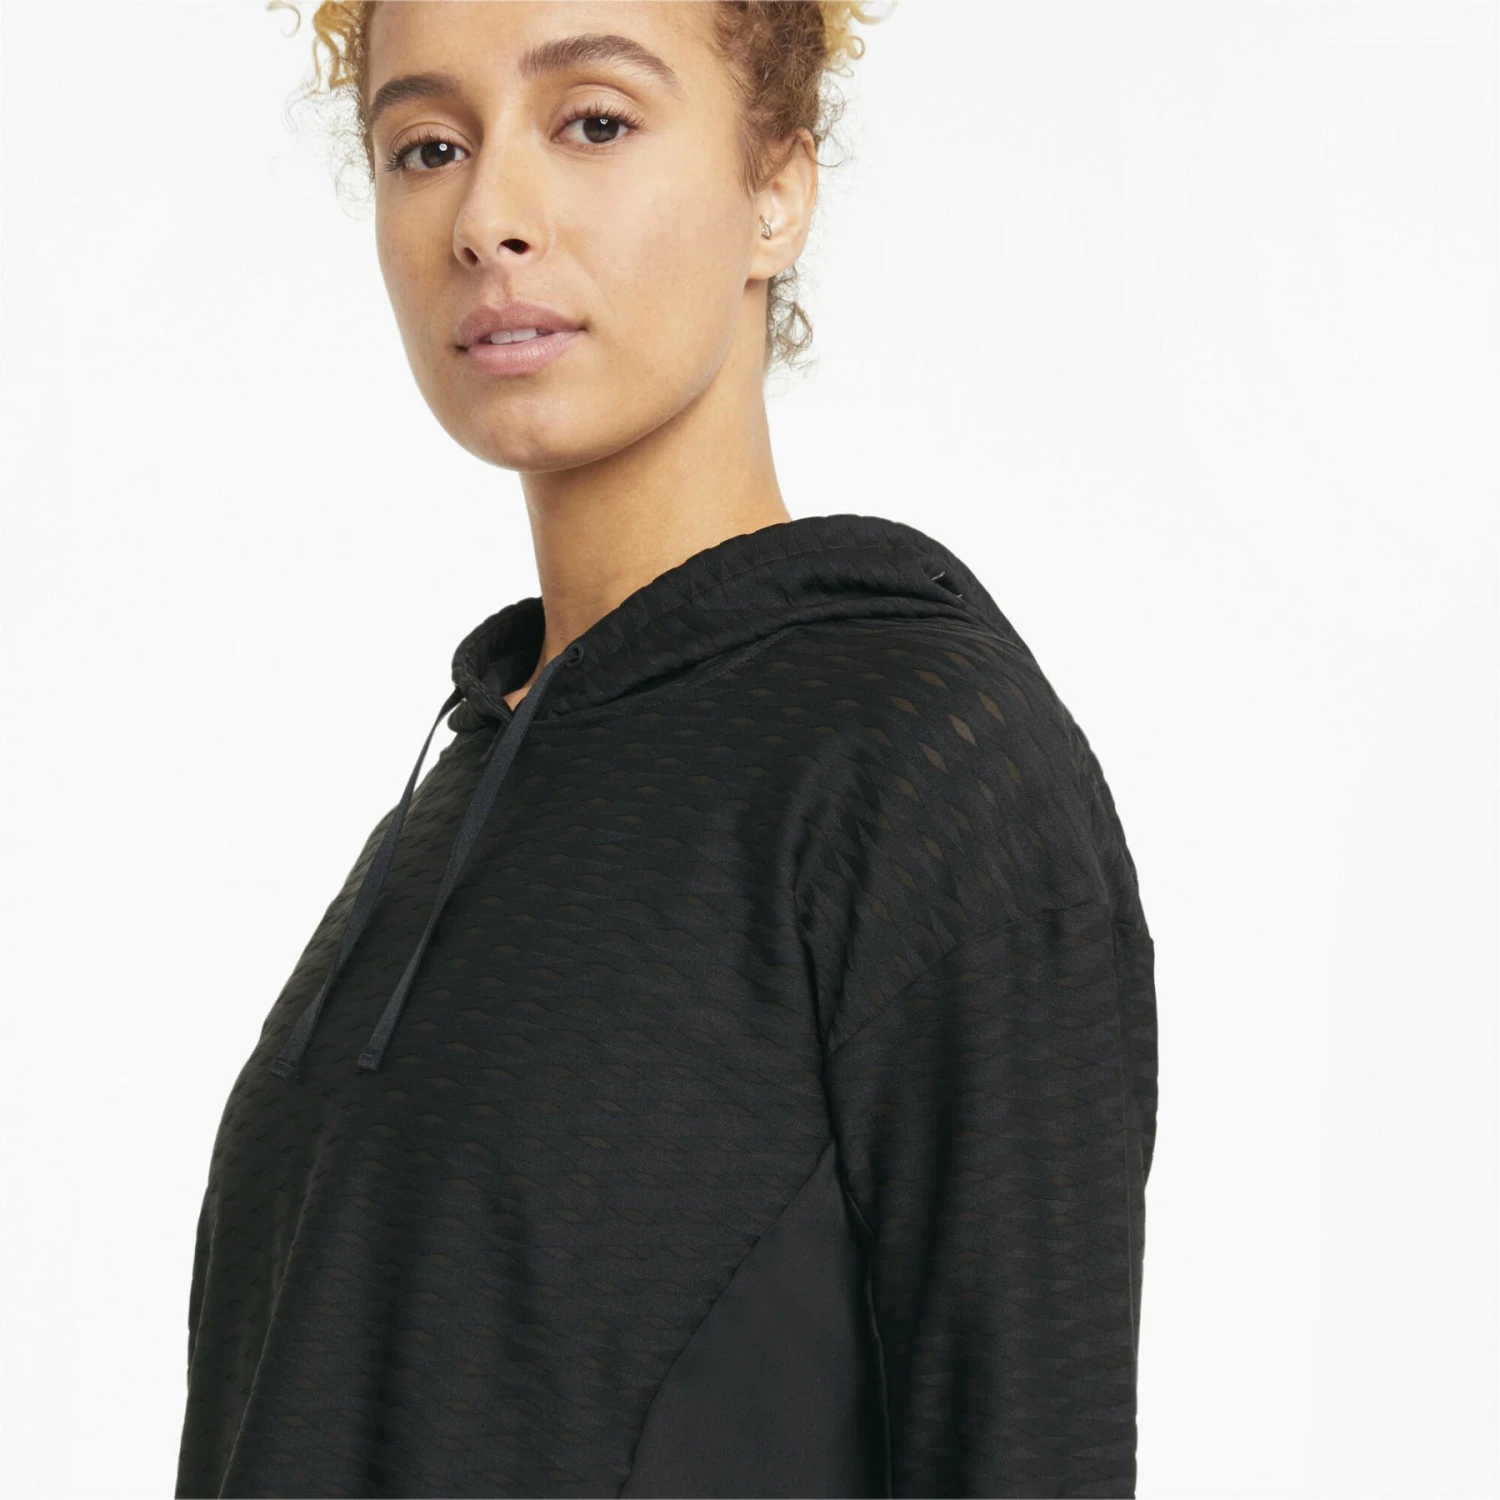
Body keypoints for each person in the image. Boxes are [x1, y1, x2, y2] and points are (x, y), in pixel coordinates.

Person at [175, 3, 1158, 1497]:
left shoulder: (921, 767)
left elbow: (1030, 1449)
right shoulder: (461, 803)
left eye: (594, 122)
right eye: (426, 147)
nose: (489, 218)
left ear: (778, 186)